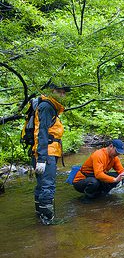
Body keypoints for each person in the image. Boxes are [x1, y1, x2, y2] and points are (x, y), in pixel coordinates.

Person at [32, 83, 70, 225]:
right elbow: (42, 132)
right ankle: (48, 220)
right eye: (59, 92)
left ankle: (40, 217)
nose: (62, 95)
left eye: (63, 92)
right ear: (51, 91)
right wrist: (42, 158)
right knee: (48, 186)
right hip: (46, 152)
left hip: (43, 151)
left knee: (41, 185)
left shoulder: (47, 106)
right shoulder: (47, 107)